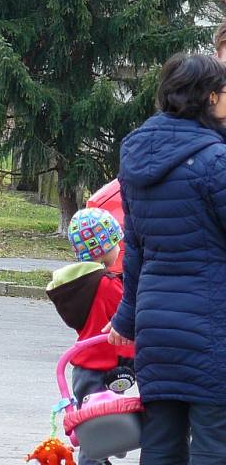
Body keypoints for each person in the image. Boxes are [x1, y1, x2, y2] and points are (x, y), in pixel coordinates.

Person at [107, 53, 226, 463]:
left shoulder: (136, 155)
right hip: (212, 325)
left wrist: (126, 317)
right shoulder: (215, 162)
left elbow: (134, 246)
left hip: (157, 327)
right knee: (215, 441)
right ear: (209, 98)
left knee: (160, 442)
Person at [46, 207, 135, 465]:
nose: (120, 247)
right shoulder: (107, 285)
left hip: (86, 367)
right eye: (116, 242)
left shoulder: (81, 286)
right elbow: (127, 316)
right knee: (96, 436)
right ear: (105, 248)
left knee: (93, 428)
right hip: (108, 364)